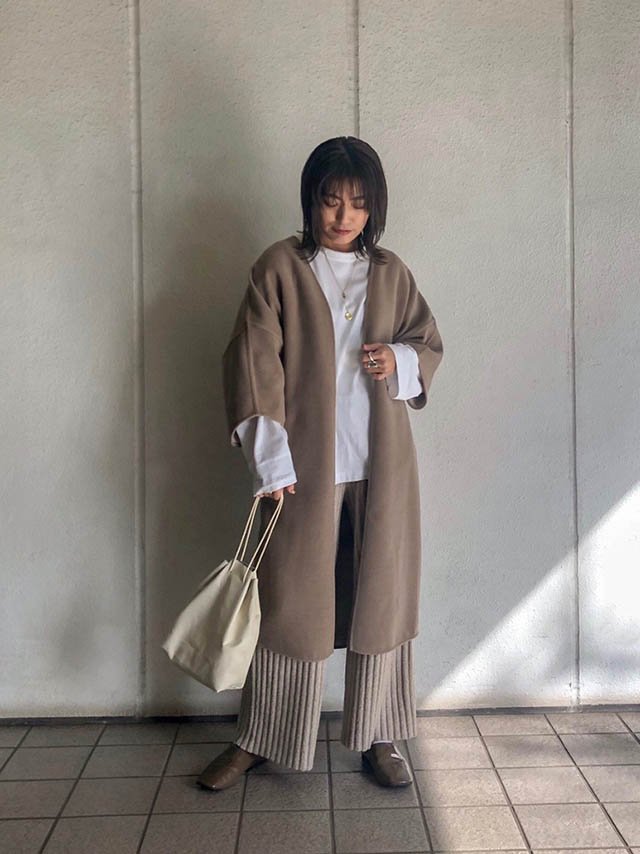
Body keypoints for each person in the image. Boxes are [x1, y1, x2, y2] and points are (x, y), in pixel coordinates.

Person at [197, 136, 443, 791]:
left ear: (374, 208)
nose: (343, 216)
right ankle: (260, 737)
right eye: (331, 200)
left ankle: (380, 735)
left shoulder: (390, 272)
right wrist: (270, 459)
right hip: (303, 464)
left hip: (381, 465)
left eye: (358, 203)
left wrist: (399, 359)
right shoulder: (279, 266)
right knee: (290, 605)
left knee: (382, 600)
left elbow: (426, 342)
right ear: (311, 199)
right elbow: (253, 358)